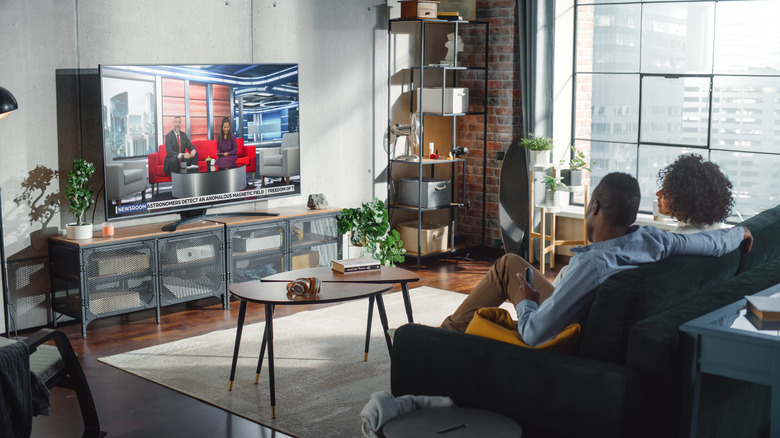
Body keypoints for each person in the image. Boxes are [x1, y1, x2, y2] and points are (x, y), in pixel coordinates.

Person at [440, 172, 753, 347]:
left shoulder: (593, 266)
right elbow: (709, 242)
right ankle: (445, 334)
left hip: (567, 330)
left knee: (506, 267)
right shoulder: (655, 240)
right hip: (581, 306)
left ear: (595, 207)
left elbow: (534, 334)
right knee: (509, 263)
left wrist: (526, 302)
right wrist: (739, 234)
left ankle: (441, 341)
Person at [656, 153, 734, 233]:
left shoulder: (680, 238)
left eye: (665, 191)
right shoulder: (716, 228)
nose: (657, 193)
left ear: (683, 199)